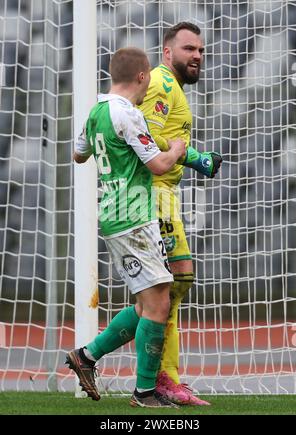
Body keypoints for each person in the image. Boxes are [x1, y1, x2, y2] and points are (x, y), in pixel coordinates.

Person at [66, 47, 187, 408]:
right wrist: (179, 148)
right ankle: (144, 393)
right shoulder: (127, 114)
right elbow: (160, 165)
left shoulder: (97, 112)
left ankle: (86, 357)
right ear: (143, 77)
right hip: (134, 215)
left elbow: (78, 154)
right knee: (159, 304)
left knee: (147, 303)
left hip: (113, 213)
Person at [138, 22, 222, 406]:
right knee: (171, 285)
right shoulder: (160, 83)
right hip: (152, 194)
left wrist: (192, 158)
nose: (198, 56)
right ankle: (161, 377)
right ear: (167, 52)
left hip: (165, 194)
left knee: (172, 286)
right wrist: (196, 157)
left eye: (201, 50)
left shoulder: (174, 90)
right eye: (189, 49)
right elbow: (148, 140)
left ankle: (96, 355)